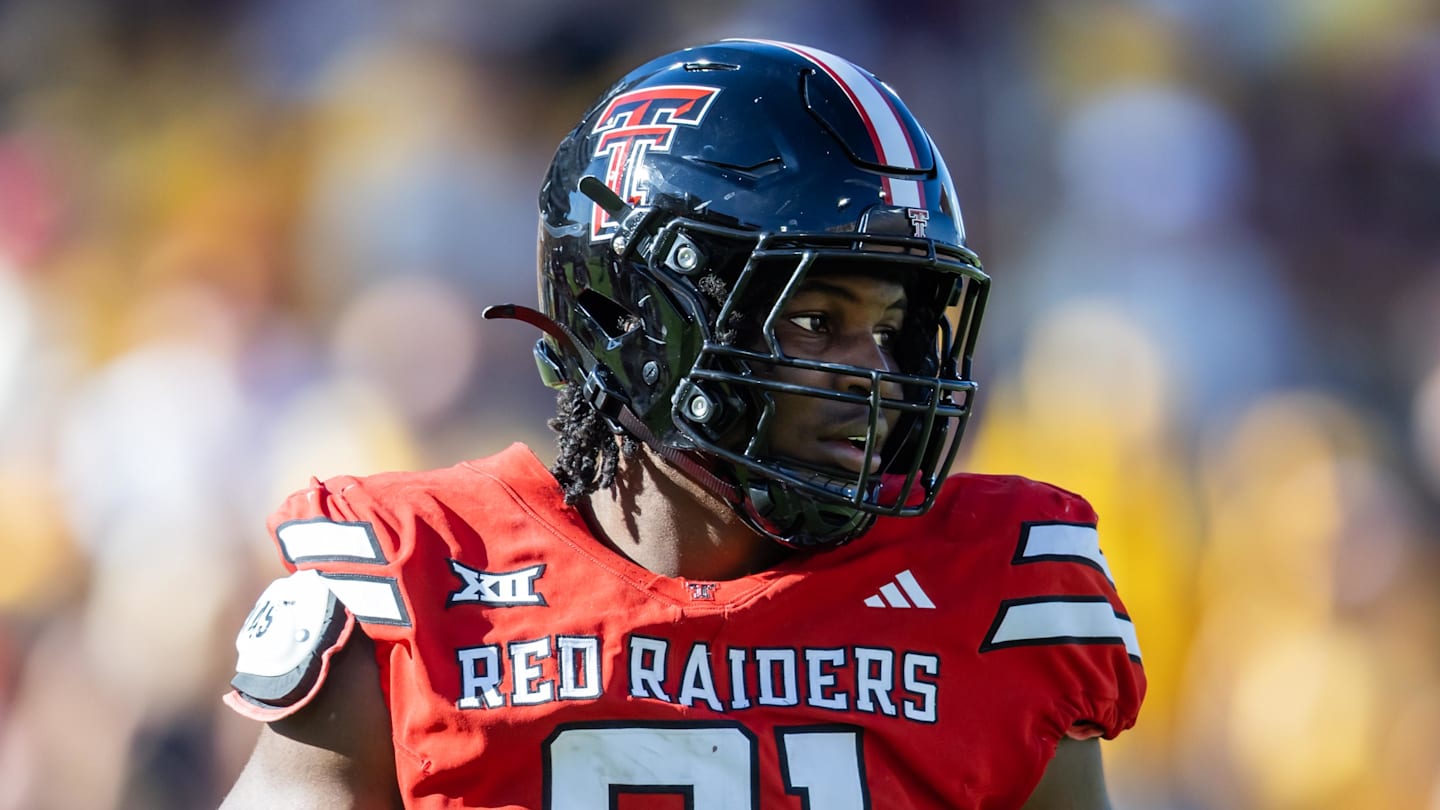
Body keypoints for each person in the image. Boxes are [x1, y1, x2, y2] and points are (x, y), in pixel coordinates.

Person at [220, 38, 1145, 809]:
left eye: (897, 329)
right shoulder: (423, 581)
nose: (881, 376)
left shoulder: (994, 594)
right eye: (817, 320)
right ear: (634, 317)